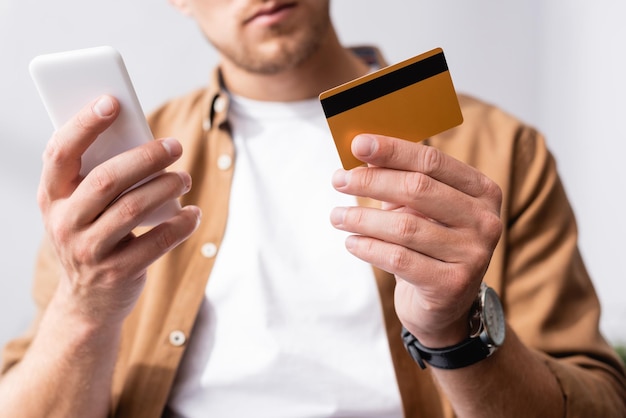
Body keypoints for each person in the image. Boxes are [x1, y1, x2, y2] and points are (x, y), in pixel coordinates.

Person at [1, 0, 625, 416]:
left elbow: (599, 401)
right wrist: (85, 308)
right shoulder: (121, 168)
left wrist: (453, 334)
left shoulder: (500, 149)